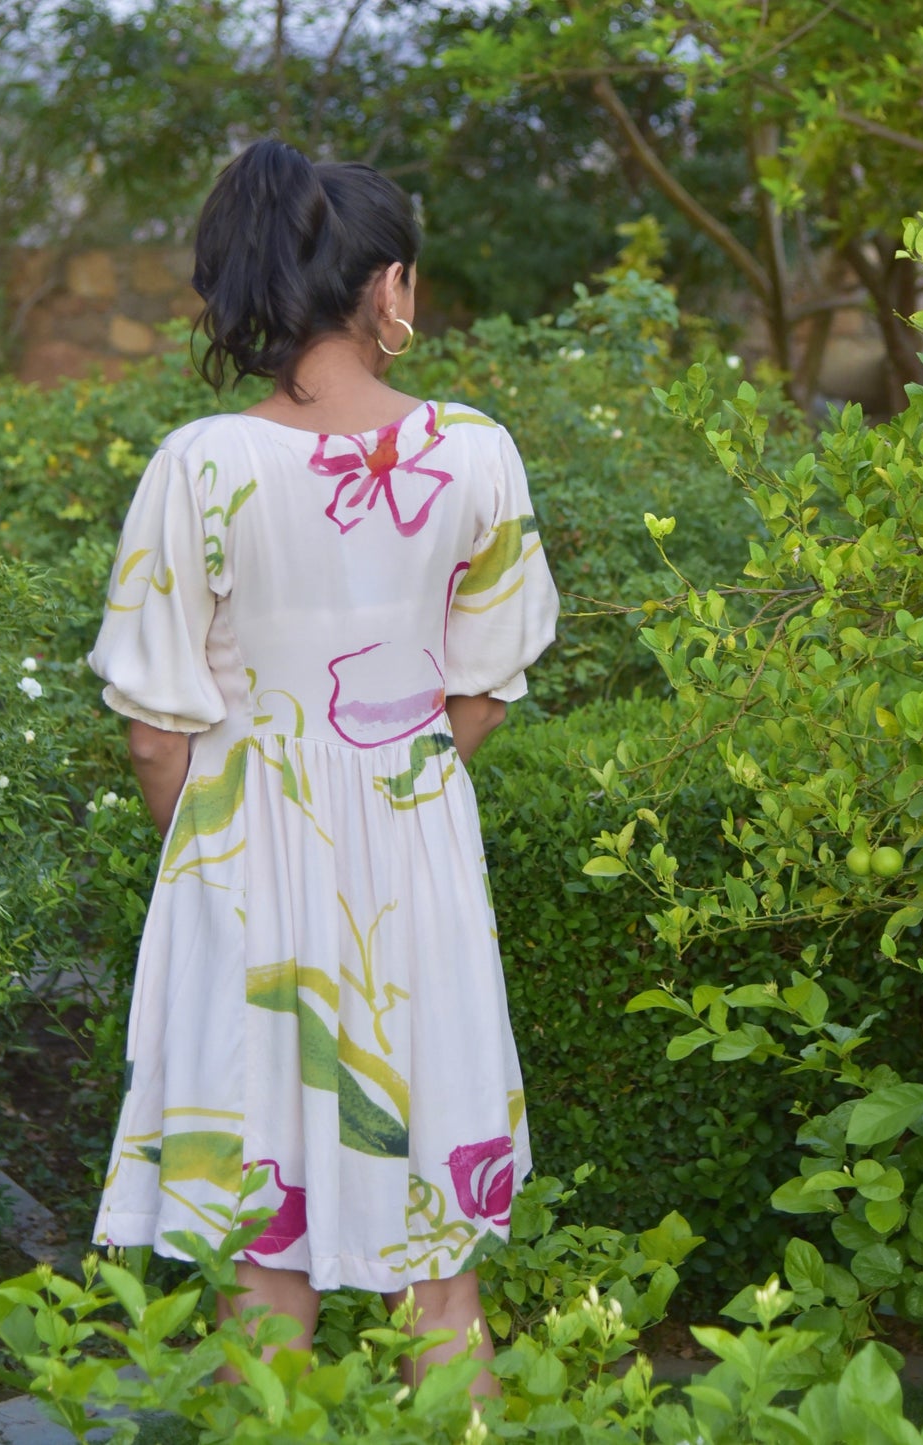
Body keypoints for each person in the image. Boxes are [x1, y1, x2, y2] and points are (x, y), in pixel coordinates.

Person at [86, 138, 559, 1396]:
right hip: (418, 864)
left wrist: (219, 840)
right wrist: (394, 786)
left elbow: (150, 723)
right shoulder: (475, 451)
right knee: (440, 1265)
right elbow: (487, 679)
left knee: (259, 1249)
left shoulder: (199, 462)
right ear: (388, 286)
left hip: (239, 864)